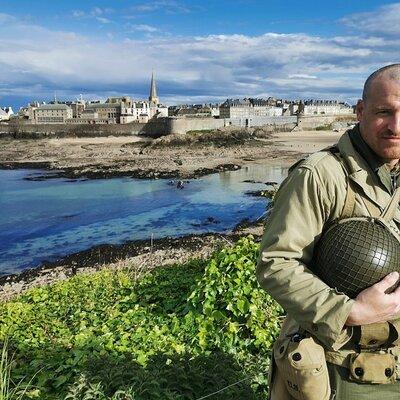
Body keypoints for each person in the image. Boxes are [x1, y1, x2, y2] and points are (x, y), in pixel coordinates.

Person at [256, 64, 400, 399]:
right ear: (360, 111)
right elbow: (276, 263)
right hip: (343, 363)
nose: (396, 126)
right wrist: (350, 311)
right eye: (384, 112)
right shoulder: (320, 176)